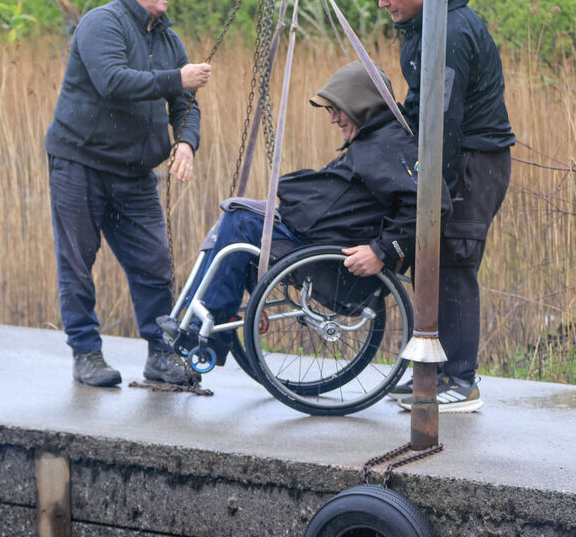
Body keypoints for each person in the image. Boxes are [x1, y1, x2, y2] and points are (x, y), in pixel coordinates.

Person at [159, 61, 449, 361]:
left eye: (338, 109)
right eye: (330, 111)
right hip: (315, 238)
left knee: (240, 220)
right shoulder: (373, 142)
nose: (333, 119)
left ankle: (207, 329)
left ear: (361, 104)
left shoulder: (388, 146)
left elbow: (432, 205)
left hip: (335, 263)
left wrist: (382, 251)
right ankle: (212, 318)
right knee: (235, 214)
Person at [45, 0, 213, 387]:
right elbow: (113, 81)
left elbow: (186, 105)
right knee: (78, 261)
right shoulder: (101, 23)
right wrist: (177, 78)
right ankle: (86, 355)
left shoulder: (168, 39)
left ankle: (161, 355)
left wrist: (187, 143)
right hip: (80, 162)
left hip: (135, 174)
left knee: (154, 263)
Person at [367, 0, 514, 413]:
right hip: (456, 156)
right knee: (430, 262)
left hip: (474, 161)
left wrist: (433, 189)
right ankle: (429, 374)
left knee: (453, 264)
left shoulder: (448, 31)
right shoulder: (421, 25)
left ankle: (461, 382)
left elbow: (445, 120)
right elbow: (419, 106)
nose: (382, 3)